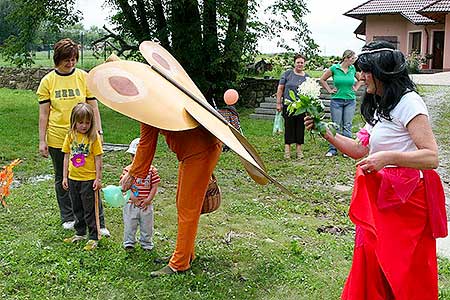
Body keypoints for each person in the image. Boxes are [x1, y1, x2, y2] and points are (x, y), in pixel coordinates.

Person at [305, 41, 447, 299]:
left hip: (406, 202)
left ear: (383, 73)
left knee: (400, 268)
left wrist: (386, 158)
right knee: (373, 261)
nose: (360, 76)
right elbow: (360, 149)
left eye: (366, 71)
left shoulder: (409, 103)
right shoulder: (383, 105)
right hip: (381, 196)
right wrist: (324, 130)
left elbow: (431, 156)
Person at [120, 123, 222, 277]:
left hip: (201, 150)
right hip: (190, 152)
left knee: (188, 209)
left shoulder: (150, 102)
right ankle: (185, 254)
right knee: (183, 206)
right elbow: (147, 141)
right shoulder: (145, 105)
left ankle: (180, 264)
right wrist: (134, 173)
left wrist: (132, 174)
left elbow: (147, 144)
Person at [37, 38, 109, 236]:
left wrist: (99, 132)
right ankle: (69, 217)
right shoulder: (47, 82)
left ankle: (98, 222)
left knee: (90, 178)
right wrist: (42, 140)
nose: (70, 63)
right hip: (58, 138)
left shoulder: (84, 78)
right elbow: (44, 114)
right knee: (64, 177)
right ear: (57, 60)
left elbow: (93, 107)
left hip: (85, 139)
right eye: (66, 60)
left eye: (73, 59)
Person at [61, 103, 104, 251]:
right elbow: (66, 156)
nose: (84, 126)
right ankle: (80, 233)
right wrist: (65, 177)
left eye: (87, 122)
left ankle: (94, 236)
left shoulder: (93, 137)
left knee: (90, 208)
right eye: (80, 122)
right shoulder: (71, 135)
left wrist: (98, 179)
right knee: (76, 206)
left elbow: (98, 158)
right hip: (73, 178)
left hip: (88, 180)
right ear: (74, 121)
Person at [319, 50, 363, 157]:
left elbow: (361, 79)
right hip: (336, 100)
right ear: (346, 58)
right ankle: (332, 149)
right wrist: (329, 90)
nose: (354, 61)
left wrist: (356, 87)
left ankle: (346, 150)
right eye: (353, 58)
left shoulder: (353, 69)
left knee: (347, 125)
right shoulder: (335, 68)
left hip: (350, 100)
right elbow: (322, 79)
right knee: (335, 125)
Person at [121, 138, 160, 251]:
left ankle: (146, 243)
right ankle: (129, 242)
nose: (135, 160)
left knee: (147, 225)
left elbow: (154, 186)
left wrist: (148, 199)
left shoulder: (152, 171)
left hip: (146, 205)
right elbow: (125, 188)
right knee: (130, 224)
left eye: (138, 157)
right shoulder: (127, 171)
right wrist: (134, 199)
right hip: (131, 203)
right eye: (133, 156)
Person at [276, 54, 309, 159]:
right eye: (298, 62)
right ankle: (287, 151)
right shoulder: (287, 74)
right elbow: (280, 89)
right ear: (294, 63)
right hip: (288, 105)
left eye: (302, 62)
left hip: (301, 107)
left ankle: (299, 151)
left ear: (304, 64)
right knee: (289, 127)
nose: (300, 64)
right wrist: (278, 103)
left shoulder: (307, 77)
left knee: (300, 128)